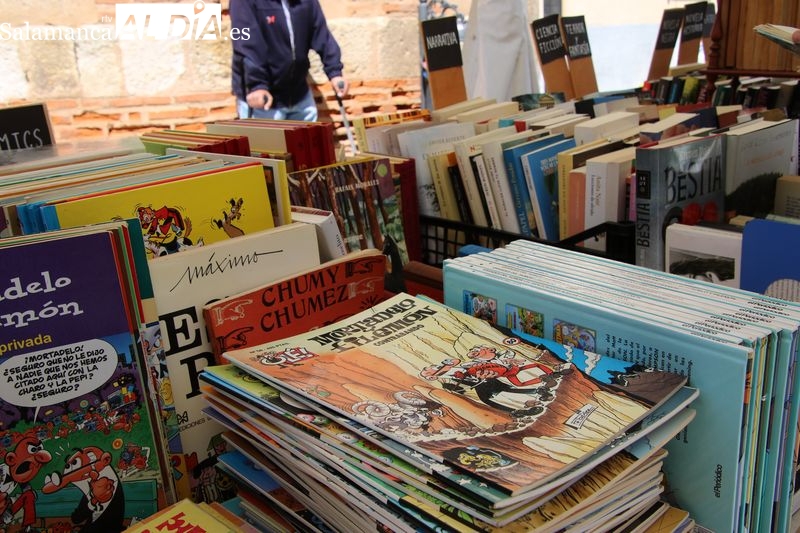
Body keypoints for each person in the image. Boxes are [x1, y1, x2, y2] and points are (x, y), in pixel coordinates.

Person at [230, 0, 349, 121]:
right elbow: (245, 45)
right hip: (264, 102)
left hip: (301, 97)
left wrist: (335, 72)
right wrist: (257, 85)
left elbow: (321, 33)